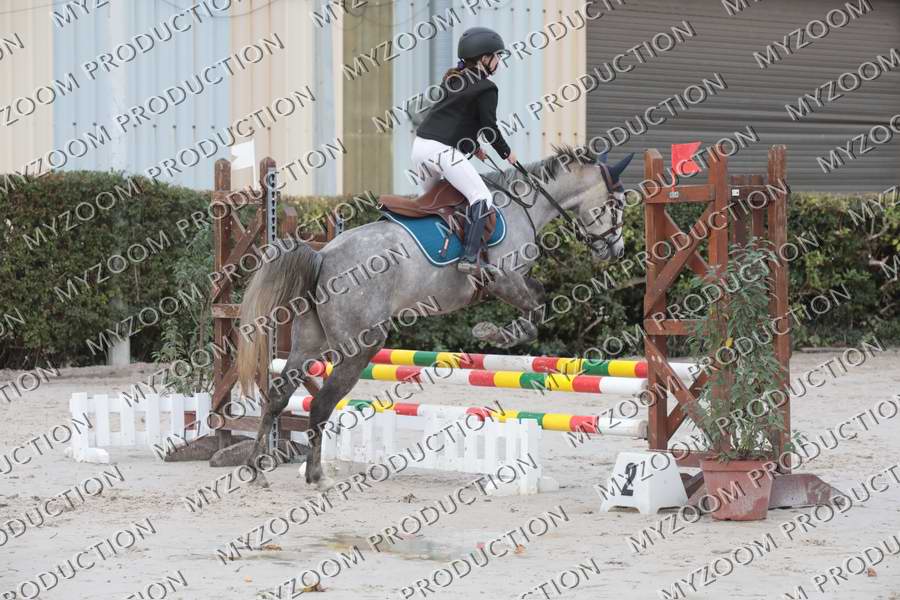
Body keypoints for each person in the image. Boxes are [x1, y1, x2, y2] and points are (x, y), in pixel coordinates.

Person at [412, 26, 517, 273]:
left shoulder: (454, 79)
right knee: (481, 197)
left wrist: (475, 146)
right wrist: (506, 153)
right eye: (497, 56)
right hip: (442, 152)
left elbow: (457, 120)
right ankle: (469, 257)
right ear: (484, 58)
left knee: (430, 202)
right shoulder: (487, 87)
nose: (499, 61)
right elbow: (489, 127)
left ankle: (424, 255)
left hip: (420, 147)